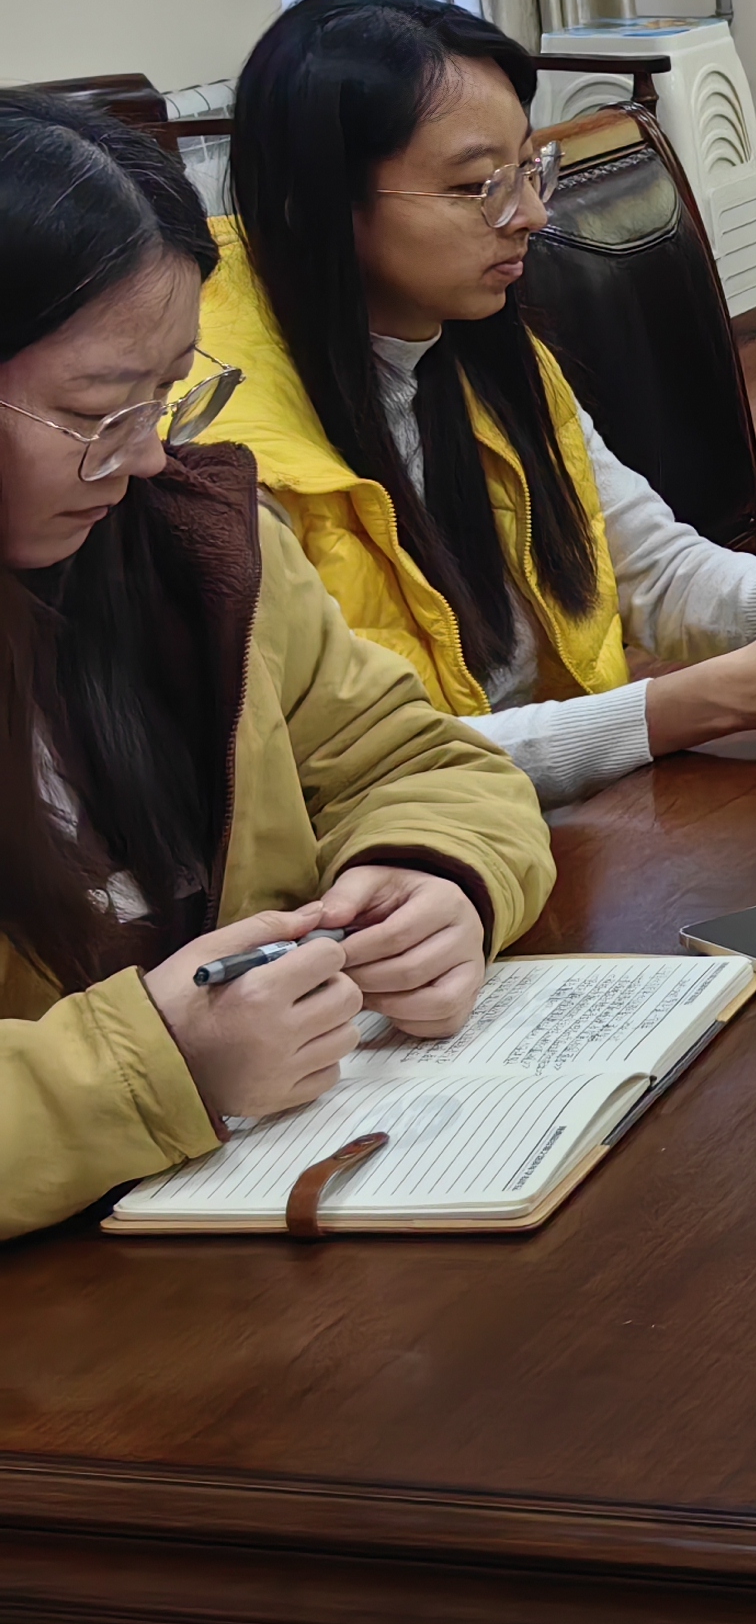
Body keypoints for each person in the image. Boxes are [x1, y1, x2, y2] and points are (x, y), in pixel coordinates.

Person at [200, 0, 756, 805]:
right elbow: (355, 767)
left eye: (529, 169)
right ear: (319, 202)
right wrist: (694, 704)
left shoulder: (476, 342)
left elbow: (648, 568)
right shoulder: (232, 457)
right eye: (478, 186)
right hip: (412, 847)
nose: (532, 214)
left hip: (545, 819)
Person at [0, 91, 553, 1239]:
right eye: (97, 410)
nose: (147, 456)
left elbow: (417, 759)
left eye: (167, 396)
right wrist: (161, 1067)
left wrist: (432, 877)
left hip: (262, 1206)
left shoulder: (196, 550)